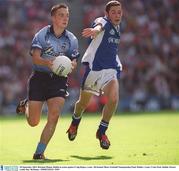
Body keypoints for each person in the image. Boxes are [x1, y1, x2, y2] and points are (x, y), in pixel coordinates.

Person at [16, 3, 79, 159]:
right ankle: (27, 105)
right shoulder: (42, 35)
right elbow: (36, 58)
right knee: (33, 122)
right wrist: (49, 63)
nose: (65, 18)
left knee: (55, 114)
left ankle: (39, 152)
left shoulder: (72, 39)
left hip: (59, 80)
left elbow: (74, 61)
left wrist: (71, 65)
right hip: (39, 78)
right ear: (53, 17)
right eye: (61, 15)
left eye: (67, 15)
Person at [67, 0, 123, 150]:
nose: (117, 15)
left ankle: (102, 132)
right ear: (107, 14)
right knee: (82, 104)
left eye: (119, 12)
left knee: (113, 99)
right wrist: (95, 30)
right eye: (113, 12)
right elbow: (99, 25)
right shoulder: (102, 21)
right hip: (94, 70)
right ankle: (75, 122)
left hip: (111, 69)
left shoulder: (119, 27)